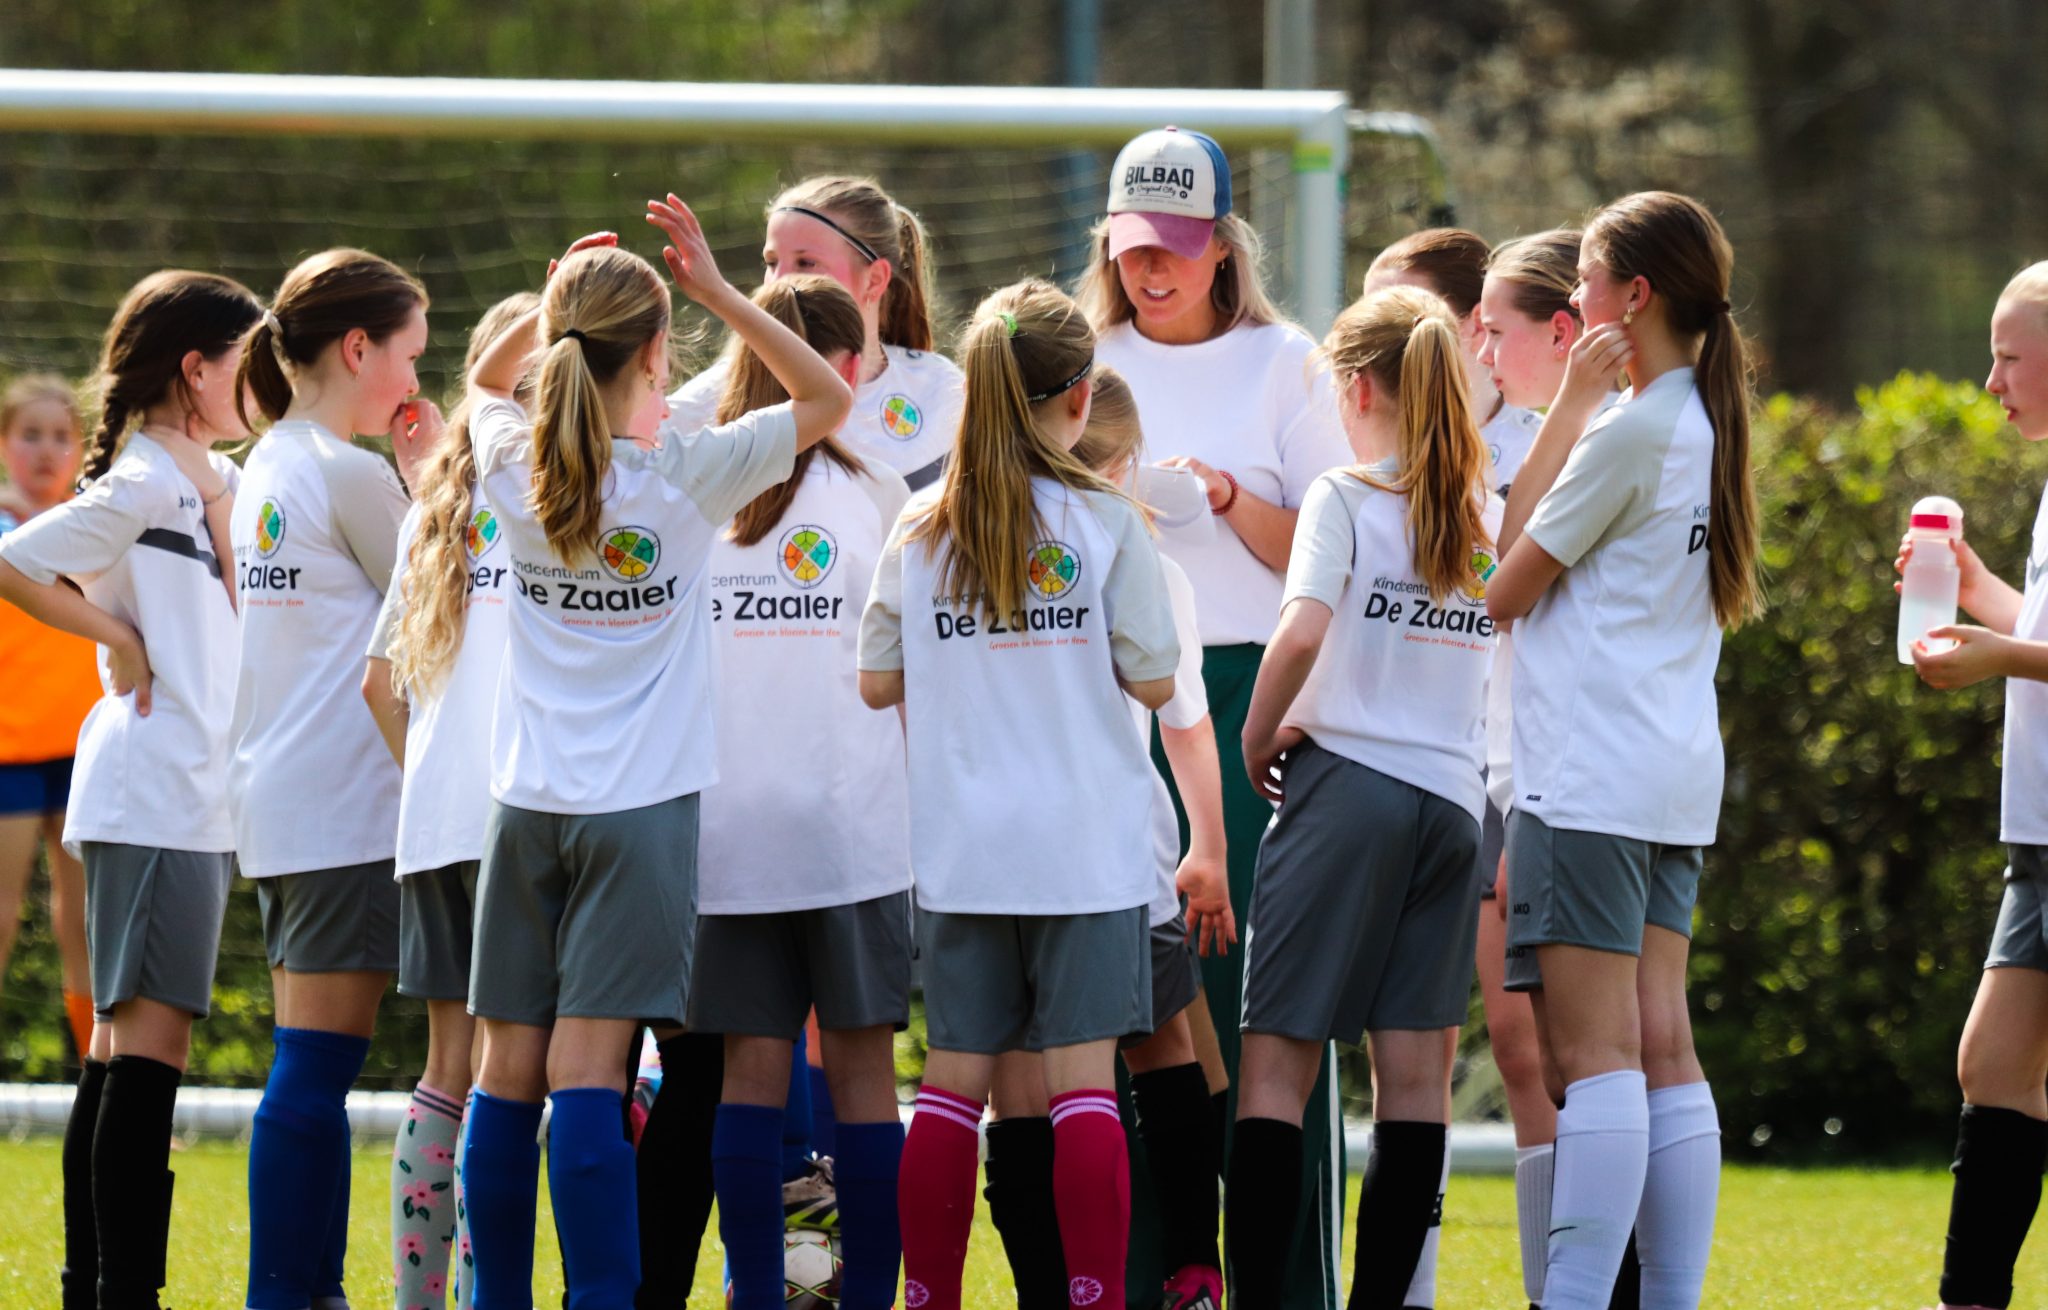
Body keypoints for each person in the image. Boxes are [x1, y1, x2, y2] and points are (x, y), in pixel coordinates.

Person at [456, 203, 850, 1310]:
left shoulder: (509, 468)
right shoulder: (686, 475)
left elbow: (485, 390)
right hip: (639, 815)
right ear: (656, 354)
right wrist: (728, 293)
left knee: (503, 1077)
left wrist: (549, 306)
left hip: (522, 807)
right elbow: (826, 397)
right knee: (587, 1075)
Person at [860, 277, 1178, 1310]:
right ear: (1079, 398)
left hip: (961, 849)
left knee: (952, 1083)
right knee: (1083, 1081)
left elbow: (874, 680)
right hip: (1082, 847)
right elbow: (1155, 677)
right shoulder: (1102, 517)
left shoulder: (919, 520)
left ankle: (929, 1295)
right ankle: (1093, 1296)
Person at [1079, 125, 1353, 1310]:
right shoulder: (1078, 356)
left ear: (1222, 246)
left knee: (1264, 1008)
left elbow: (1332, 553)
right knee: (1136, 1009)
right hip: (1114, 696)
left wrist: (1228, 498)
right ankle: (1144, 1276)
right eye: (1135, 247)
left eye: (1176, 248)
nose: (1154, 271)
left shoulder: (1283, 362)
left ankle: (1285, 1283)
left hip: (1257, 698)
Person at [1488, 191, 1763, 1310]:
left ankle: (1570, 1295)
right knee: (1662, 1045)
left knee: (1596, 1055)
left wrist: (1564, 405)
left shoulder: (1634, 423)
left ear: (1632, 297)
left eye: (1587, 279)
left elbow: (1501, 578)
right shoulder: (1702, 417)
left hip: (1587, 772)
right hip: (1667, 771)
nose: (1573, 300)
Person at [1227, 285, 1499, 1310]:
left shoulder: (1345, 495)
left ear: (1354, 389)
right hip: (1451, 807)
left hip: (1348, 788)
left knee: (1276, 1069)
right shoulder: (1482, 509)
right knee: (1413, 1081)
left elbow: (1299, 632)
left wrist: (1259, 731)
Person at [0, 271, 259, 1310]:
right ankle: (120, 1292)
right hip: (152, 785)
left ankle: (92, 1287)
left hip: (185, 788)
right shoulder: (145, 481)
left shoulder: (203, 476)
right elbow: (16, 557)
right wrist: (118, 635)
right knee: (147, 1048)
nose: (260, 380)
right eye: (246, 361)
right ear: (195, 370)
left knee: (119, 1047)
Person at [980, 367, 1237, 1310]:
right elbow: (1186, 722)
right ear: (1122, 463)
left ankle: (1050, 1292)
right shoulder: (1146, 563)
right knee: (1163, 1047)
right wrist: (1206, 847)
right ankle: (1191, 1271)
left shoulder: (961, 546)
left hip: (993, 864)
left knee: (1015, 1080)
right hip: (1120, 861)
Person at [691, 274, 912, 1310]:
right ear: (849, 370)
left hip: (725, 832)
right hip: (851, 830)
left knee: (748, 1073)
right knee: (865, 1074)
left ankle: (759, 1288)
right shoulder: (879, 494)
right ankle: (859, 1295)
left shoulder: (695, 488)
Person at [231, 248, 432, 1310]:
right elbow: (447, 592)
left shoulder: (269, 458)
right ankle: (285, 1294)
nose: (414, 381)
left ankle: (308, 1289)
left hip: (283, 795)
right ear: (358, 348)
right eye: (408, 355)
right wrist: (436, 472)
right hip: (345, 804)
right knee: (315, 1063)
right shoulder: (345, 472)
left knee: (309, 1058)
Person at [361, 291, 538, 1310]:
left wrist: (428, 779)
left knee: (449, 1067)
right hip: (533, 808)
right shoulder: (549, 485)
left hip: (436, 817)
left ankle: (424, 1296)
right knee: (572, 1065)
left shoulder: (437, 504)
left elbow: (380, 682)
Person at [1907, 260, 2048, 1310]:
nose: (1990, 379)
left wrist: (1995, 658)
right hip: (2037, 838)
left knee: (1992, 1065)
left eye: (2007, 355)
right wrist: (1973, 589)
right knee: (1991, 1066)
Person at [1471, 227, 1591, 1309]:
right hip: (1478, 767)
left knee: (1585, 1048)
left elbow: (1506, 590)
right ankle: (1547, 1283)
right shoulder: (1468, 436)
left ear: (1561, 331)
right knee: (1519, 1050)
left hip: (1551, 773)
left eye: (1491, 326)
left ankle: (1595, 1279)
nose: (1473, 342)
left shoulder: (1601, 439)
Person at [667, 175, 961, 492]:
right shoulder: (717, 397)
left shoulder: (941, 390)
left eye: (806, 262)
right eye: (771, 262)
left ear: (874, 280)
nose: (778, 282)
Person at [0, 375, 99, 1059]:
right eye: (29, 434)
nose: (45, 450)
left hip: (82, 753)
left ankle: (103, 1085)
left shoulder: (94, 524)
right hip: (7, 756)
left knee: (86, 927)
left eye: (61, 436)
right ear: (5, 444)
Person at [1368, 228, 1546, 497]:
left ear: (1477, 324)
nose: (1377, 340)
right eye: (1369, 320)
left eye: (1404, 318)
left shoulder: (1541, 449)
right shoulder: (1346, 437)